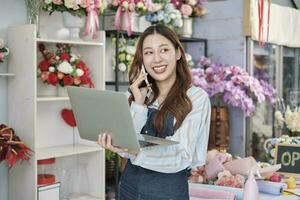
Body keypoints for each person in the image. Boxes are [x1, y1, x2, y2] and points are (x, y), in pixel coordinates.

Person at [98, 24, 211, 200]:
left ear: (178, 53)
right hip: (128, 189)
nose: (156, 59)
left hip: (168, 192)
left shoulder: (196, 98)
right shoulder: (137, 94)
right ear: (142, 59)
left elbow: (181, 156)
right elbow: (129, 145)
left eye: (164, 50)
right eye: (149, 52)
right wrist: (138, 105)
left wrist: (135, 152)